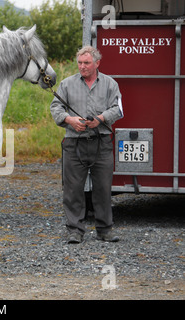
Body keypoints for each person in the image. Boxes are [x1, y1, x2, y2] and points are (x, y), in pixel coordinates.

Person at [50, 46, 123, 244]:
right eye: (80, 63)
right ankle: (75, 230)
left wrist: (100, 119)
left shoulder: (110, 84)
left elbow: (118, 108)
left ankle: (105, 230)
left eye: (87, 63)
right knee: (73, 189)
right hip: (74, 144)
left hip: (102, 143)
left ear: (97, 63)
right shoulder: (66, 84)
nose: (82, 67)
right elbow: (55, 106)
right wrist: (69, 120)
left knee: (103, 188)